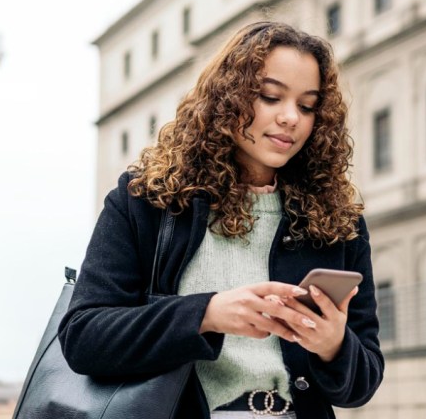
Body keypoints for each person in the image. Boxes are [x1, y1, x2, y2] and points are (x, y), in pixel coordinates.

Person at [58, 21, 383, 419]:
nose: (290, 118)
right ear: (227, 97)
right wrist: (206, 314)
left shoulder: (337, 221)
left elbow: (362, 384)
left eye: (307, 105)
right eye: (269, 97)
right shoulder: (147, 202)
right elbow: (84, 338)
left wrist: (334, 345)